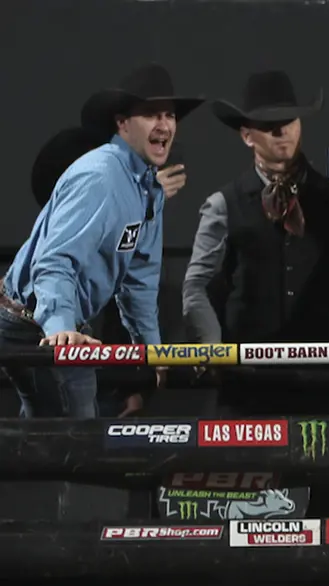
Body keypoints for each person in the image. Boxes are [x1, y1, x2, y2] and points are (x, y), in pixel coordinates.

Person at [2, 64, 200, 418]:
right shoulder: (102, 176)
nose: (164, 125)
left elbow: (139, 281)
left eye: (169, 115)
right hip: (30, 324)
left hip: (47, 321)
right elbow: (54, 261)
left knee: (51, 430)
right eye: (151, 114)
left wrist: (150, 351)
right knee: (74, 434)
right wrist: (62, 331)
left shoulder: (147, 189)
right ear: (122, 124)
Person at [183, 71, 329, 348]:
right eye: (268, 124)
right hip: (246, 378)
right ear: (247, 136)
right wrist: (210, 347)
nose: (282, 131)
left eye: (289, 120)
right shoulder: (223, 205)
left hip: (324, 376)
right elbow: (198, 286)